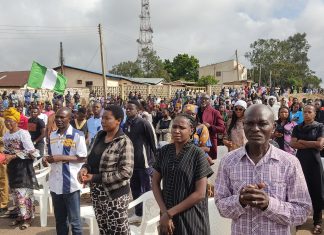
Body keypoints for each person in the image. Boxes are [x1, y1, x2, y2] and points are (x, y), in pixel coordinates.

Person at [215, 104, 312, 235]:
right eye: (249, 123)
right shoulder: (228, 161)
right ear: (243, 126)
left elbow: (302, 212)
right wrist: (240, 200)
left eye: (262, 124)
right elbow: (221, 207)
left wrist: (269, 204)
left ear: (273, 127)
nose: (255, 129)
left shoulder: (289, 163)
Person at [152, 113, 213, 235]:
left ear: (191, 130)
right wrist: (164, 213)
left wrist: (169, 213)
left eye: (181, 128)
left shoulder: (197, 154)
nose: (176, 131)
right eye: (174, 127)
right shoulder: (164, 151)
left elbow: (200, 194)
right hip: (167, 216)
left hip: (191, 217)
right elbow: (154, 183)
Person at [78, 105, 134, 234]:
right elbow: (90, 159)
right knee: (104, 230)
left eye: (107, 118)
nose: (103, 121)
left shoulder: (124, 142)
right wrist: (84, 169)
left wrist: (95, 177)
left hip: (115, 196)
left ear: (118, 120)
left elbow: (126, 172)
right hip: (97, 194)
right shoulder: (99, 136)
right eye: (102, 118)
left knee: (119, 231)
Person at [43, 107, 87, 235]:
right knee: (60, 220)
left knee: (75, 221)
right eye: (57, 117)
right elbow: (50, 154)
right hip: (55, 184)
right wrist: (47, 159)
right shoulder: (52, 135)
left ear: (70, 118)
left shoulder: (77, 135)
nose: (58, 120)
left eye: (62, 117)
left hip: (71, 184)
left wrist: (60, 157)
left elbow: (82, 157)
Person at [3, 107, 39, 230]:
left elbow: (32, 152)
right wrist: (5, 156)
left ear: (16, 121)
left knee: (23, 194)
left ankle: (27, 218)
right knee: (15, 194)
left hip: (23, 167)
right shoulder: (6, 135)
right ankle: (20, 215)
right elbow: (7, 150)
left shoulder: (23, 133)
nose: (8, 123)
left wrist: (13, 155)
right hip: (12, 168)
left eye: (10, 120)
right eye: (6, 121)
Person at [290, 105, 324, 234]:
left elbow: (320, 144)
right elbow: (292, 144)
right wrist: (312, 143)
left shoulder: (320, 127)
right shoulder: (297, 127)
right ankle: (299, 220)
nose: (307, 114)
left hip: (315, 162)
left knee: (317, 191)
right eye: (305, 112)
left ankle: (317, 222)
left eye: (310, 112)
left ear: (315, 114)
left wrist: (302, 141)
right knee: (300, 190)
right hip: (300, 161)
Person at [123, 100, 157, 223]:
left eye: (130, 109)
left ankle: (149, 215)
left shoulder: (144, 123)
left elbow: (154, 142)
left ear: (138, 110)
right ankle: (138, 213)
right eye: (126, 109)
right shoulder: (126, 124)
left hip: (145, 163)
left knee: (147, 190)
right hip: (132, 164)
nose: (128, 110)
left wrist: (155, 161)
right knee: (135, 189)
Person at [197, 94, 225, 159]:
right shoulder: (195, 111)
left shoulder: (215, 112)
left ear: (209, 100)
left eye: (206, 99)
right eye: (201, 98)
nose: (203, 100)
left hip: (208, 143)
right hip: (196, 141)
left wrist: (210, 126)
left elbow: (222, 128)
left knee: (206, 165)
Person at [0, 116, 8, 216]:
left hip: (1, 153)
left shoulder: (1, 121)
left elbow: (5, 138)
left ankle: (3, 204)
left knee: (2, 179)